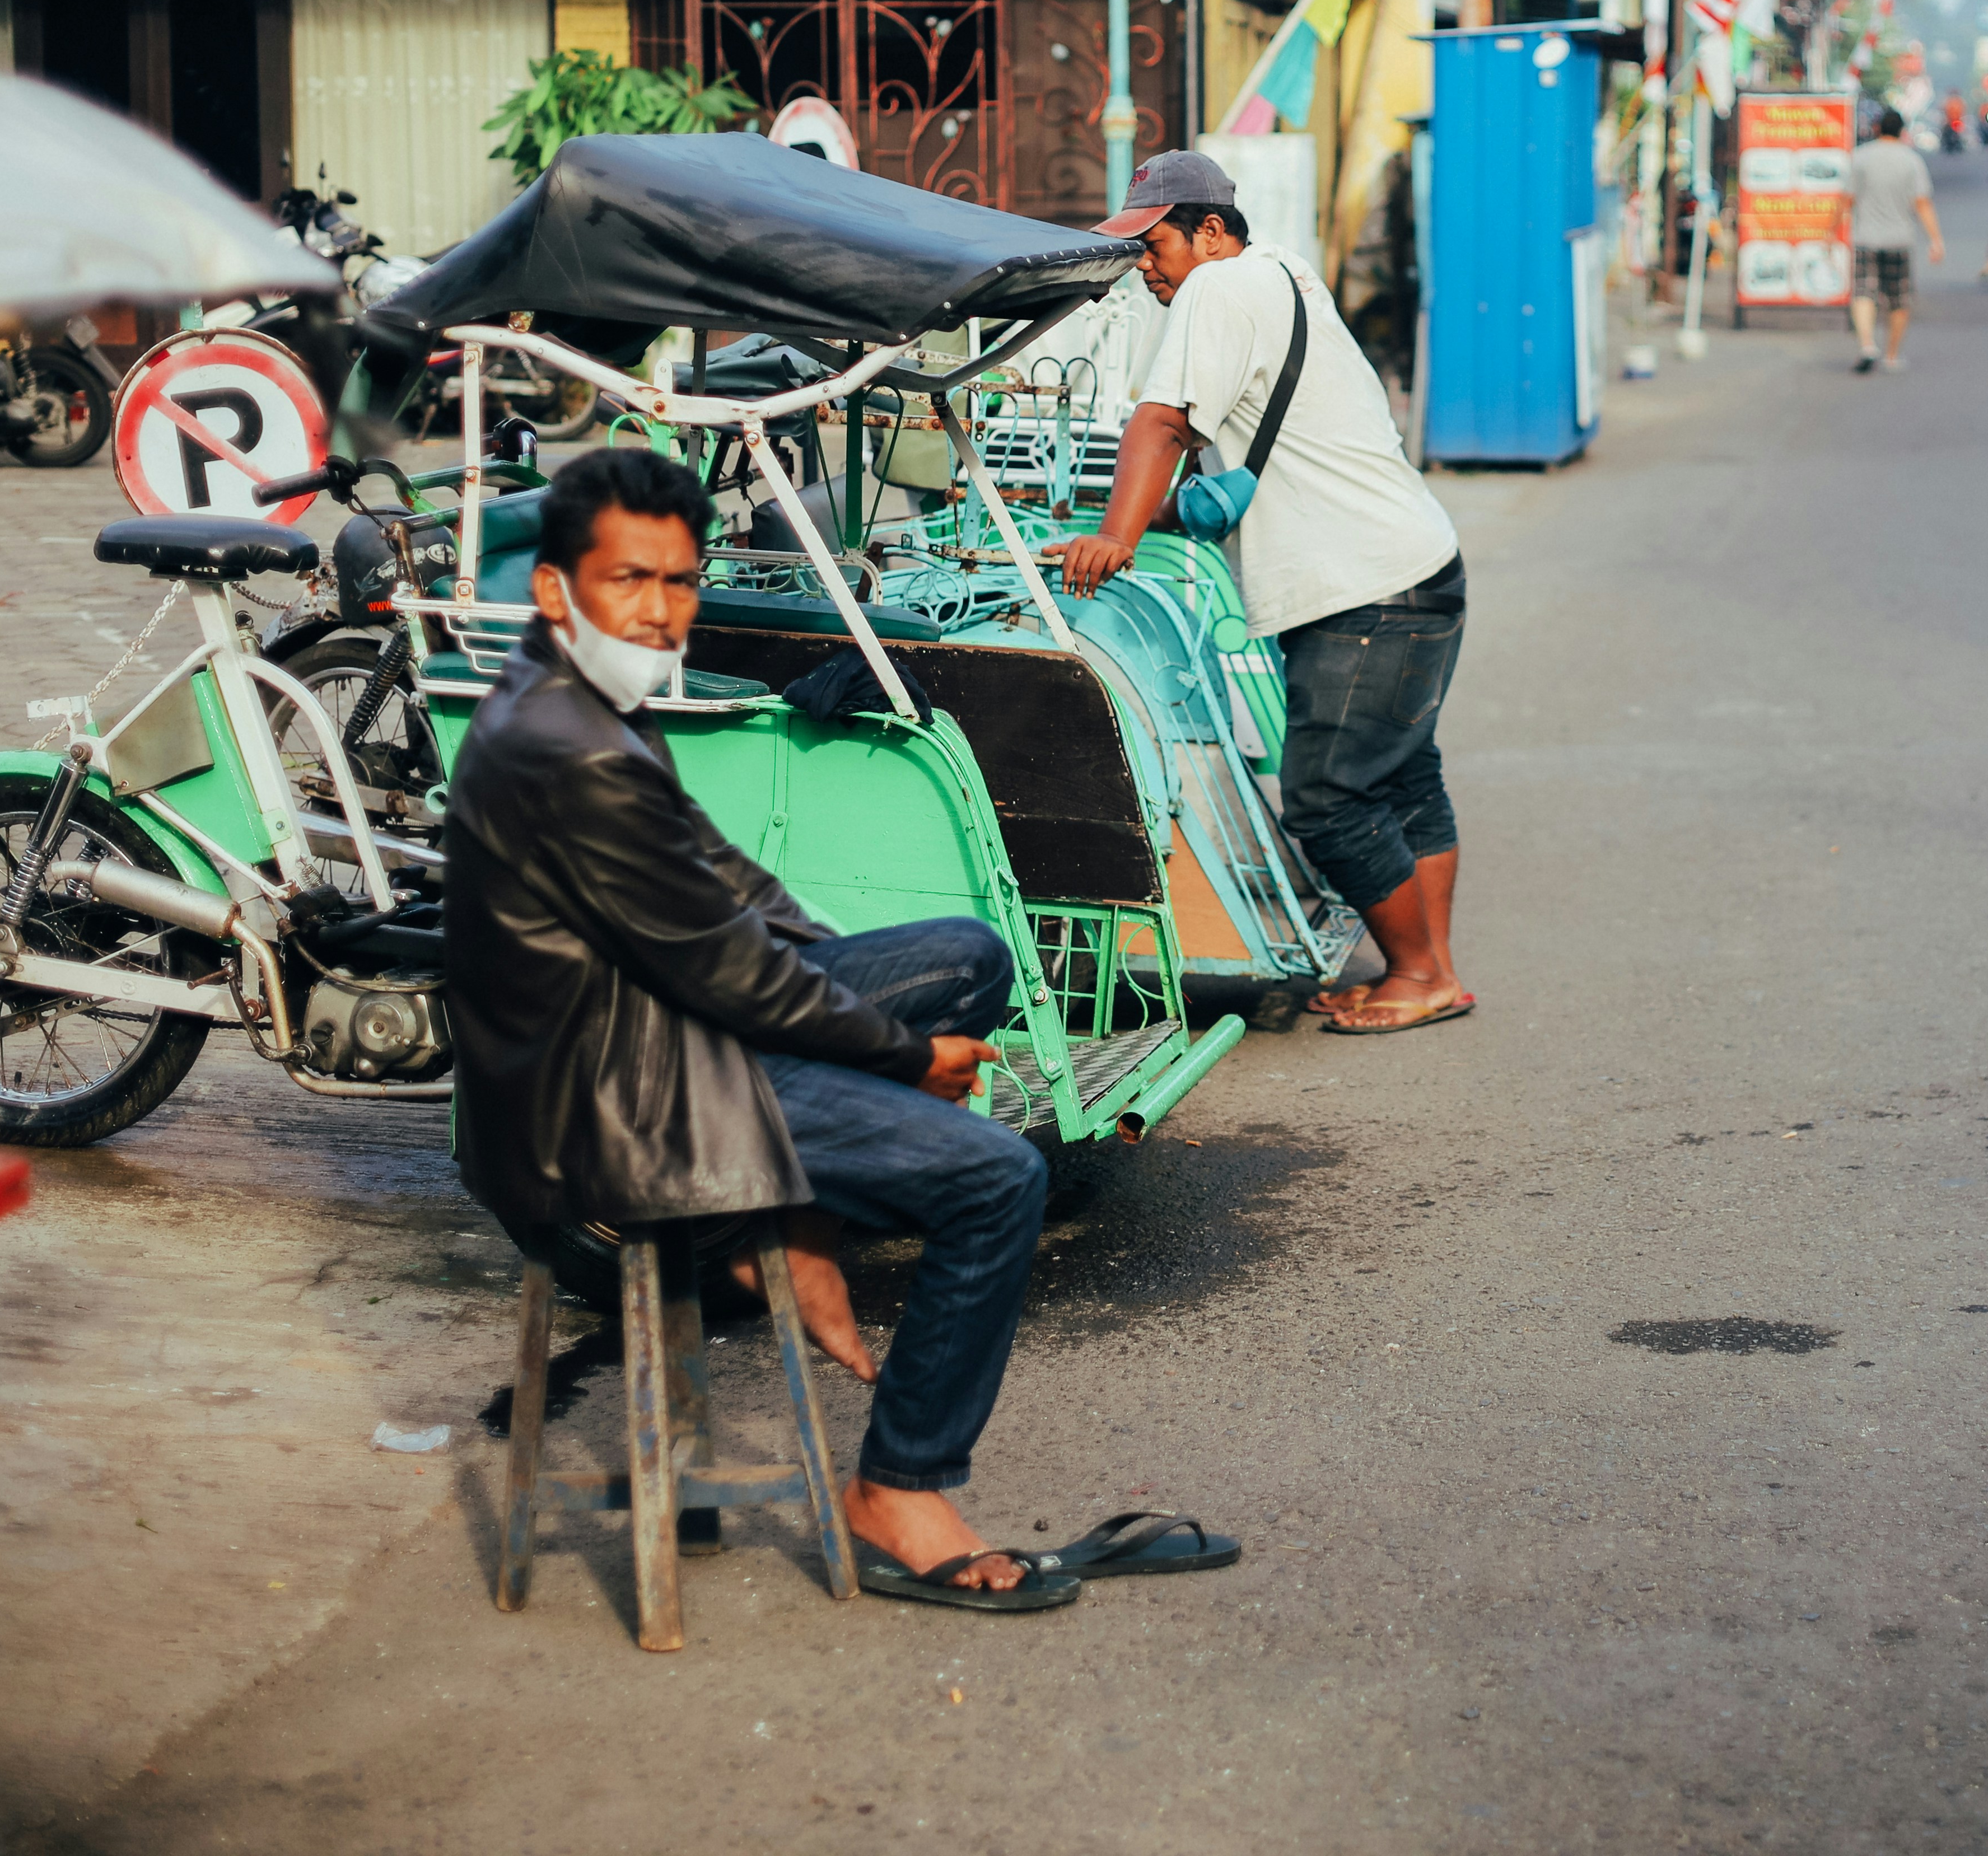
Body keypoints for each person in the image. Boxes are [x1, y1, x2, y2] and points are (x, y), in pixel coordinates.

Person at [448, 447, 1200, 1611]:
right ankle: (899, 1487)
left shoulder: (582, 699)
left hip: (665, 1034)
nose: (659, 612)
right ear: (555, 591)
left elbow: (729, 891)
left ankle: (795, 1212)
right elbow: (727, 971)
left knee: (965, 955)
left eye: (680, 583)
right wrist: (900, 1058)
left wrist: (855, 1005)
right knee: (998, 1178)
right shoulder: (566, 749)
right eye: (627, 581)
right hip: (619, 1101)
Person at [1052, 151, 1472, 1036]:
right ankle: (1425, 968)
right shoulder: (1282, 273)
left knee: (1324, 796)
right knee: (1403, 781)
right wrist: (1145, 521)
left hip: (1363, 589)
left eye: (1154, 244)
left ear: (1210, 231)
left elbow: (1164, 422)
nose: (1145, 268)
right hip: (1416, 564)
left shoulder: (1219, 287)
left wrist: (1114, 537)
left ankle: (1422, 972)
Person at [1847, 105, 1943, 374]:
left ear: (1877, 129)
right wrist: (1936, 240)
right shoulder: (1911, 161)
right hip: (1900, 241)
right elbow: (1922, 204)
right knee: (1899, 301)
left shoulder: (1861, 157)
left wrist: (1831, 234)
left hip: (1866, 238)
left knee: (1863, 293)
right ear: (1902, 132)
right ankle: (1891, 355)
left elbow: (1848, 200)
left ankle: (1867, 344)